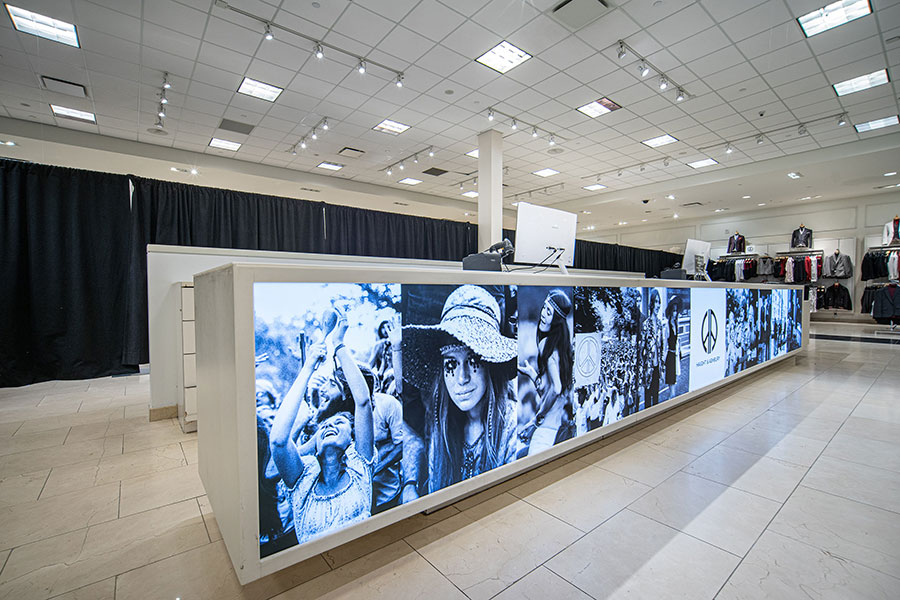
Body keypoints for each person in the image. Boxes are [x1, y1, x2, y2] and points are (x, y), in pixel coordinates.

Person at [398, 285, 518, 499]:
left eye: (473, 361)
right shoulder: (441, 426)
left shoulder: (512, 425)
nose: (462, 378)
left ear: (490, 364)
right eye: (451, 364)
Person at [269, 312, 376, 546]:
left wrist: (338, 344)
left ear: (352, 439)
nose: (330, 425)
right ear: (315, 445)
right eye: (326, 425)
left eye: (339, 423)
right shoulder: (302, 478)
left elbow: (363, 402)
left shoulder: (359, 465)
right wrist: (308, 367)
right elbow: (278, 441)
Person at [520, 289, 574, 456]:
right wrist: (532, 375)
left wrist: (536, 420)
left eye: (549, 312)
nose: (543, 314)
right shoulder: (563, 349)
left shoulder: (547, 345)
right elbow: (549, 391)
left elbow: (556, 389)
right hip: (556, 428)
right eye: (544, 308)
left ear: (556, 320)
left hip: (546, 430)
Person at [640, 289, 665, 409]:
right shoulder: (646, 324)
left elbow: (661, 347)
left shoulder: (660, 324)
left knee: (656, 397)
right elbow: (642, 350)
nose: (658, 305)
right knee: (648, 399)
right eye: (656, 302)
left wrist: (662, 368)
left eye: (659, 302)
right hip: (648, 368)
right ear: (651, 304)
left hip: (657, 367)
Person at [664, 297, 682, 392]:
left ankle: (672, 396)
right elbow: (665, 343)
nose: (675, 313)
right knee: (671, 381)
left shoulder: (676, 324)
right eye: (674, 311)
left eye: (676, 311)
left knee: (675, 379)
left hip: (675, 355)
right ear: (671, 312)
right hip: (670, 355)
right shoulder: (667, 326)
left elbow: (677, 340)